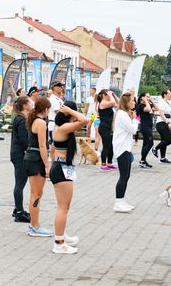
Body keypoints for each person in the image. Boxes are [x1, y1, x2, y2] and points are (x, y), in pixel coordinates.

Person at [50, 101, 87, 254]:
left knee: (64, 207)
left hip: (62, 167)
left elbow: (52, 150)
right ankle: (58, 243)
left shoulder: (60, 129)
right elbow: (84, 120)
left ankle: (62, 234)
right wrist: (71, 111)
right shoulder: (63, 128)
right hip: (61, 168)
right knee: (63, 208)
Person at [24, 97, 52, 237]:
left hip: (31, 157)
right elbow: (42, 145)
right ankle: (34, 226)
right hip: (36, 158)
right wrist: (47, 165)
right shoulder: (40, 122)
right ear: (46, 109)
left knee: (35, 193)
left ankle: (34, 224)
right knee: (36, 194)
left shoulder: (33, 119)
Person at [112, 93, 139, 213]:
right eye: (132, 100)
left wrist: (133, 118)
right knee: (123, 176)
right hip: (121, 148)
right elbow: (133, 130)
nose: (134, 102)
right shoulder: (122, 114)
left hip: (126, 147)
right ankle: (118, 202)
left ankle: (122, 200)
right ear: (127, 102)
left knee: (126, 175)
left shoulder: (124, 114)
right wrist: (136, 119)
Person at [10, 96, 32, 223]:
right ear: (24, 106)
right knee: (20, 183)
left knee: (20, 182)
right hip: (20, 154)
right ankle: (19, 213)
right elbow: (24, 140)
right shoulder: (22, 119)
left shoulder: (20, 118)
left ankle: (17, 208)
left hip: (17, 153)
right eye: (29, 102)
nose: (31, 104)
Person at [96, 89, 118, 171]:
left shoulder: (108, 103)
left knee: (110, 146)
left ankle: (109, 163)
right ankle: (103, 164)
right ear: (104, 95)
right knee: (106, 146)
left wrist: (114, 94)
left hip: (108, 128)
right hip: (104, 127)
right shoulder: (102, 103)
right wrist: (110, 95)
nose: (109, 95)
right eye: (107, 94)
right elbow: (112, 103)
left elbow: (119, 103)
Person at [153, 90, 171, 164]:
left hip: (165, 122)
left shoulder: (168, 103)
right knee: (169, 139)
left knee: (164, 140)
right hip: (161, 123)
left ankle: (162, 158)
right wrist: (168, 123)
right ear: (165, 95)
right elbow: (161, 113)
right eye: (169, 93)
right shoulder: (161, 102)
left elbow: (170, 114)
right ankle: (155, 148)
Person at [137, 93, 155, 169]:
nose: (149, 98)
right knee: (150, 143)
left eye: (149, 96)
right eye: (147, 97)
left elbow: (156, 108)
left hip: (149, 127)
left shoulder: (147, 104)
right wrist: (146, 101)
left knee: (145, 144)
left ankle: (143, 160)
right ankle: (142, 160)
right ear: (142, 98)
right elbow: (148, 109)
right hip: (145, 127)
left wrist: (151, 101)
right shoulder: (141, 106)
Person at [47, 82, 64, 149]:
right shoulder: (53, 99)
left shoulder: (57, 98)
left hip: (57, 124)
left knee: (57, 146)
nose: (61, 88)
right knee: (54, 146)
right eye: (59, 86)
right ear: (55, 88)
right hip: (54, 124)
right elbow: (58, 112)